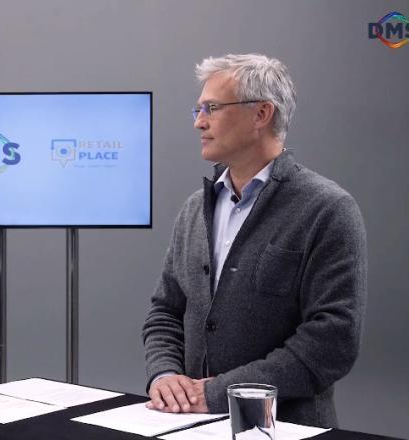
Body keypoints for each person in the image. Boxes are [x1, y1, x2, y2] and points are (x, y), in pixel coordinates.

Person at [142, 54, 367, 427]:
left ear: (261, 114)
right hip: (189, 425)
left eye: (212, 108)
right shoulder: (195, 209)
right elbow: (165, 311)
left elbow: (332, 341)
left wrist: (220, 393)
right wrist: (164, 374)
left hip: (284, 428)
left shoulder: (327, 209)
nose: (199, 121)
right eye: (198, 110)